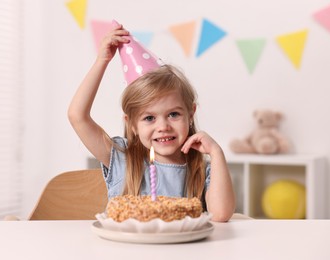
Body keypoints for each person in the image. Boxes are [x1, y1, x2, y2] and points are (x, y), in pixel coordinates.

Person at [68, 22, 235, 222]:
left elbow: (222, 215)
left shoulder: (201, 169)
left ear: (191, 114)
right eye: (149, 118)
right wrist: (102, 60)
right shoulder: (122, 158)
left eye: (173, 114)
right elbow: (77, 116)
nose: (163, 127)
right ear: (132, 124)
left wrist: (216, 153)